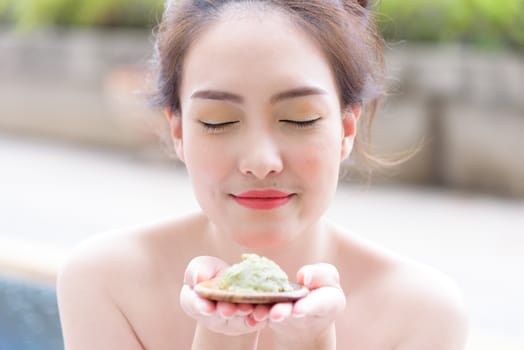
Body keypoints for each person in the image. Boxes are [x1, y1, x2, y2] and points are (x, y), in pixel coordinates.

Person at [57, 0, 469, 349]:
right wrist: (217, 336)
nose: (260, 161)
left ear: (346, 128)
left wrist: (312, 341)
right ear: (178, 130)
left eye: (299, 118)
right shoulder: (105, 284)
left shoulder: (421, 315)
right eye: (218, 121)